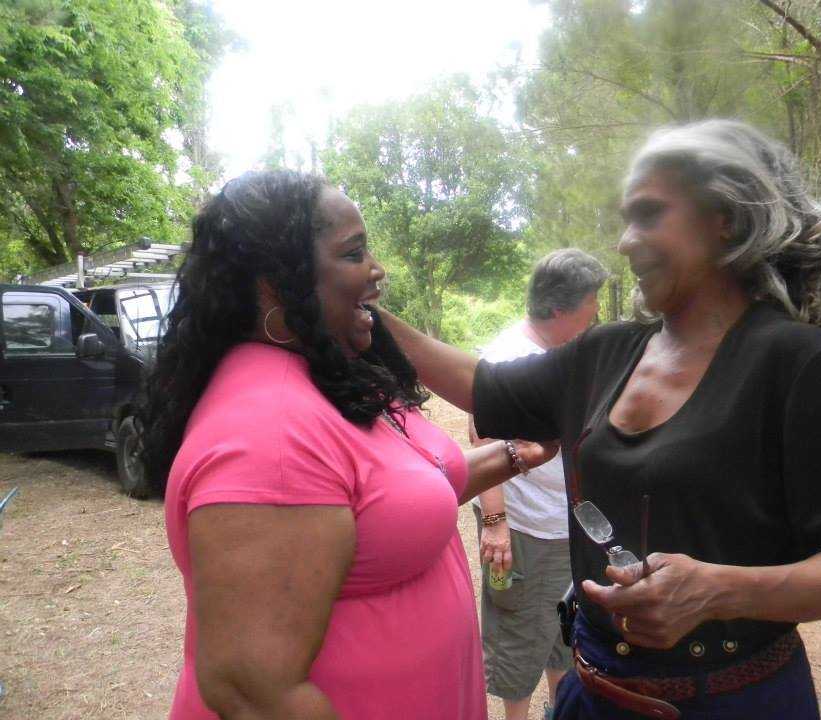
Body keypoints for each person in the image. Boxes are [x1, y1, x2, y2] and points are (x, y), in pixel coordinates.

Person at [377, 119, 821, 719]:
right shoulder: (605, 352)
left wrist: (720, 591)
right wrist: (365, 312)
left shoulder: (799, 365)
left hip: (732, 701)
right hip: (592, 694)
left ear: (724, 220)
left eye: (649, 214)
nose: (627, 242)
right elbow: (485, 387)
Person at [140, 169, 557, 720]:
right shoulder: (272, 434)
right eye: (354, 252)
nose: (376, 271)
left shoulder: (328, 374)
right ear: (276, 281)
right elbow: (256, 694)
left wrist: (514, 455)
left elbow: (391, 501)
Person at [470, 249, 608, 720]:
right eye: (592, 304)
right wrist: (495, 523)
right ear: (558, 310)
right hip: (526, 532)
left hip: (561, 525)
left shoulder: (560, 354)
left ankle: (558, 711)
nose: (597, 314)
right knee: (519, 640)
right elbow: (480, 435)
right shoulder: (510, 358)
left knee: (559, 636)